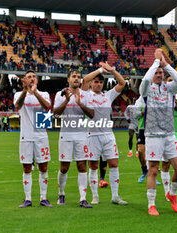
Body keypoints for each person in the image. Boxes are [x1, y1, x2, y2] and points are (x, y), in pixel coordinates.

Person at [139, 48, 177, 215]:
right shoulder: (147, 90)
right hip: (152, 136)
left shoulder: (169, 88)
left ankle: (172, 194)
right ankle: (151, 204)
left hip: (169, 135)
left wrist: (165, 64)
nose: (158, 75)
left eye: (161, 73)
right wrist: (156, 62)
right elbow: (144, 81)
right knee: (153, 170)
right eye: (156, 73)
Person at [81, 62, 127, 205]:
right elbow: (85, 80)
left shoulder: (108, 95)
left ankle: (115, 196)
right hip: (93, 136)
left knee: (114, 164)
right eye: (96, 82)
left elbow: (122, 83)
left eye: (101, 82)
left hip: (108, 136)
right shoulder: (86, 95)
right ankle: (95, 196)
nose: (98, 84)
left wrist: (112, 70)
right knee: (93, 166)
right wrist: (100, 69)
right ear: (92, 84)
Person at [53, 69, 94, 208]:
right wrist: (66, 100)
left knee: (82, 166)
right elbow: (56, 114)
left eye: (78, 77)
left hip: (82, 135)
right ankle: (61, 193)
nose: (76, 79)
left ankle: (83, 198)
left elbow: (92, 114)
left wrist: (81, 104)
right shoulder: (60, 94)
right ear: (68, 79)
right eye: (73, 76)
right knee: (64, 168)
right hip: (66, 135)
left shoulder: (86, 95)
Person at [14, 70, 53, 208]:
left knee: (43, 167)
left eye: (34, 77)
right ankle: (28, 198)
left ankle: (43, 197)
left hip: (41, 136)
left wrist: (35, 92)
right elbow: (17, 106)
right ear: (24, 79)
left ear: (37, 80)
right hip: (26, 136)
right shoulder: (19, 94)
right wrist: (25, 91)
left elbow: (47, 107)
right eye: (29, 77)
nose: (31, 78)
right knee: (26, 167)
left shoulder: (44, 94)